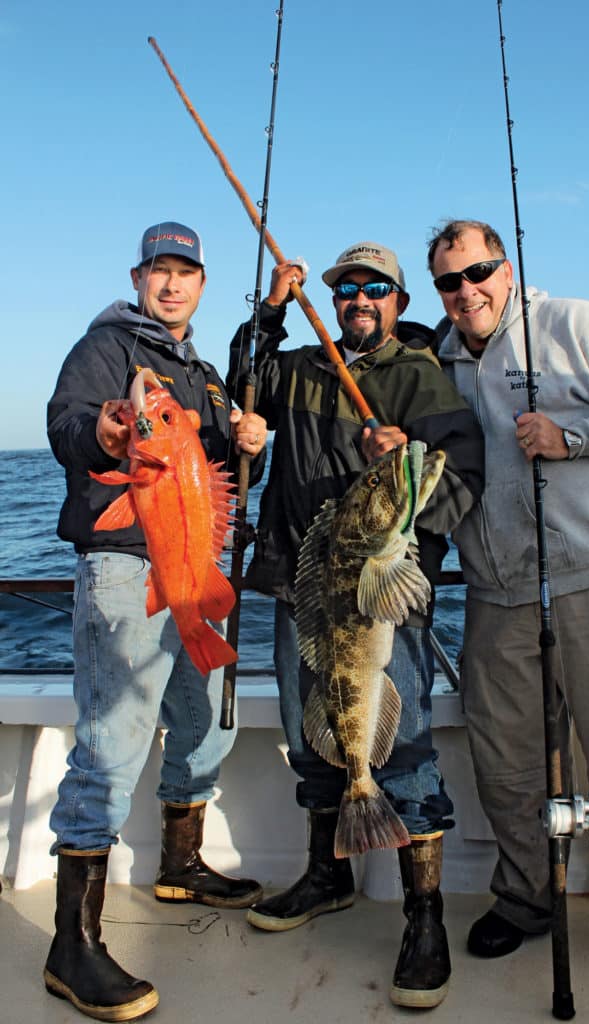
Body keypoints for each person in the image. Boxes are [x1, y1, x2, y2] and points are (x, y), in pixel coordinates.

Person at [227, 240, 484, 1009]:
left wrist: (406, 457)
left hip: (381, 595)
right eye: (346, 290)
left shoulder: (420, 379)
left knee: (399, 749)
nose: (358, 300)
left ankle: (425, 918)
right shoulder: (302, 367)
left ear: (400, 303)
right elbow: (242, 380)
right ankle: (326, 875)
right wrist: (272, 308)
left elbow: (462, 484)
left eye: (376, 289)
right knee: (317, 739)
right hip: (298, 587)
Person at [428, 218, 589, 981]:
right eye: (450, 281)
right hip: (493, 594)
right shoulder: (434, 365)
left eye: (480, 272)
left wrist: (573, 437)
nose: (467, 291)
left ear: (506, 268)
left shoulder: (576, 323)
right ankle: (526, 898)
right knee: (506, 763)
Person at [46, 221, 268, 1021]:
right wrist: (105, 431)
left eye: (186, 273)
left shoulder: (202, 375)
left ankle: (181, 864)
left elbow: (219, 478)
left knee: (205, 721)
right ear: (138, 276)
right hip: (125, 564)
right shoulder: (105, 347)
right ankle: (72, 945)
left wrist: (251, 440)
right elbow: (67, 423)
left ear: (201, 284)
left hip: (190, 568)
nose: (172, 285)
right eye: (159, 271)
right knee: (112, 738)